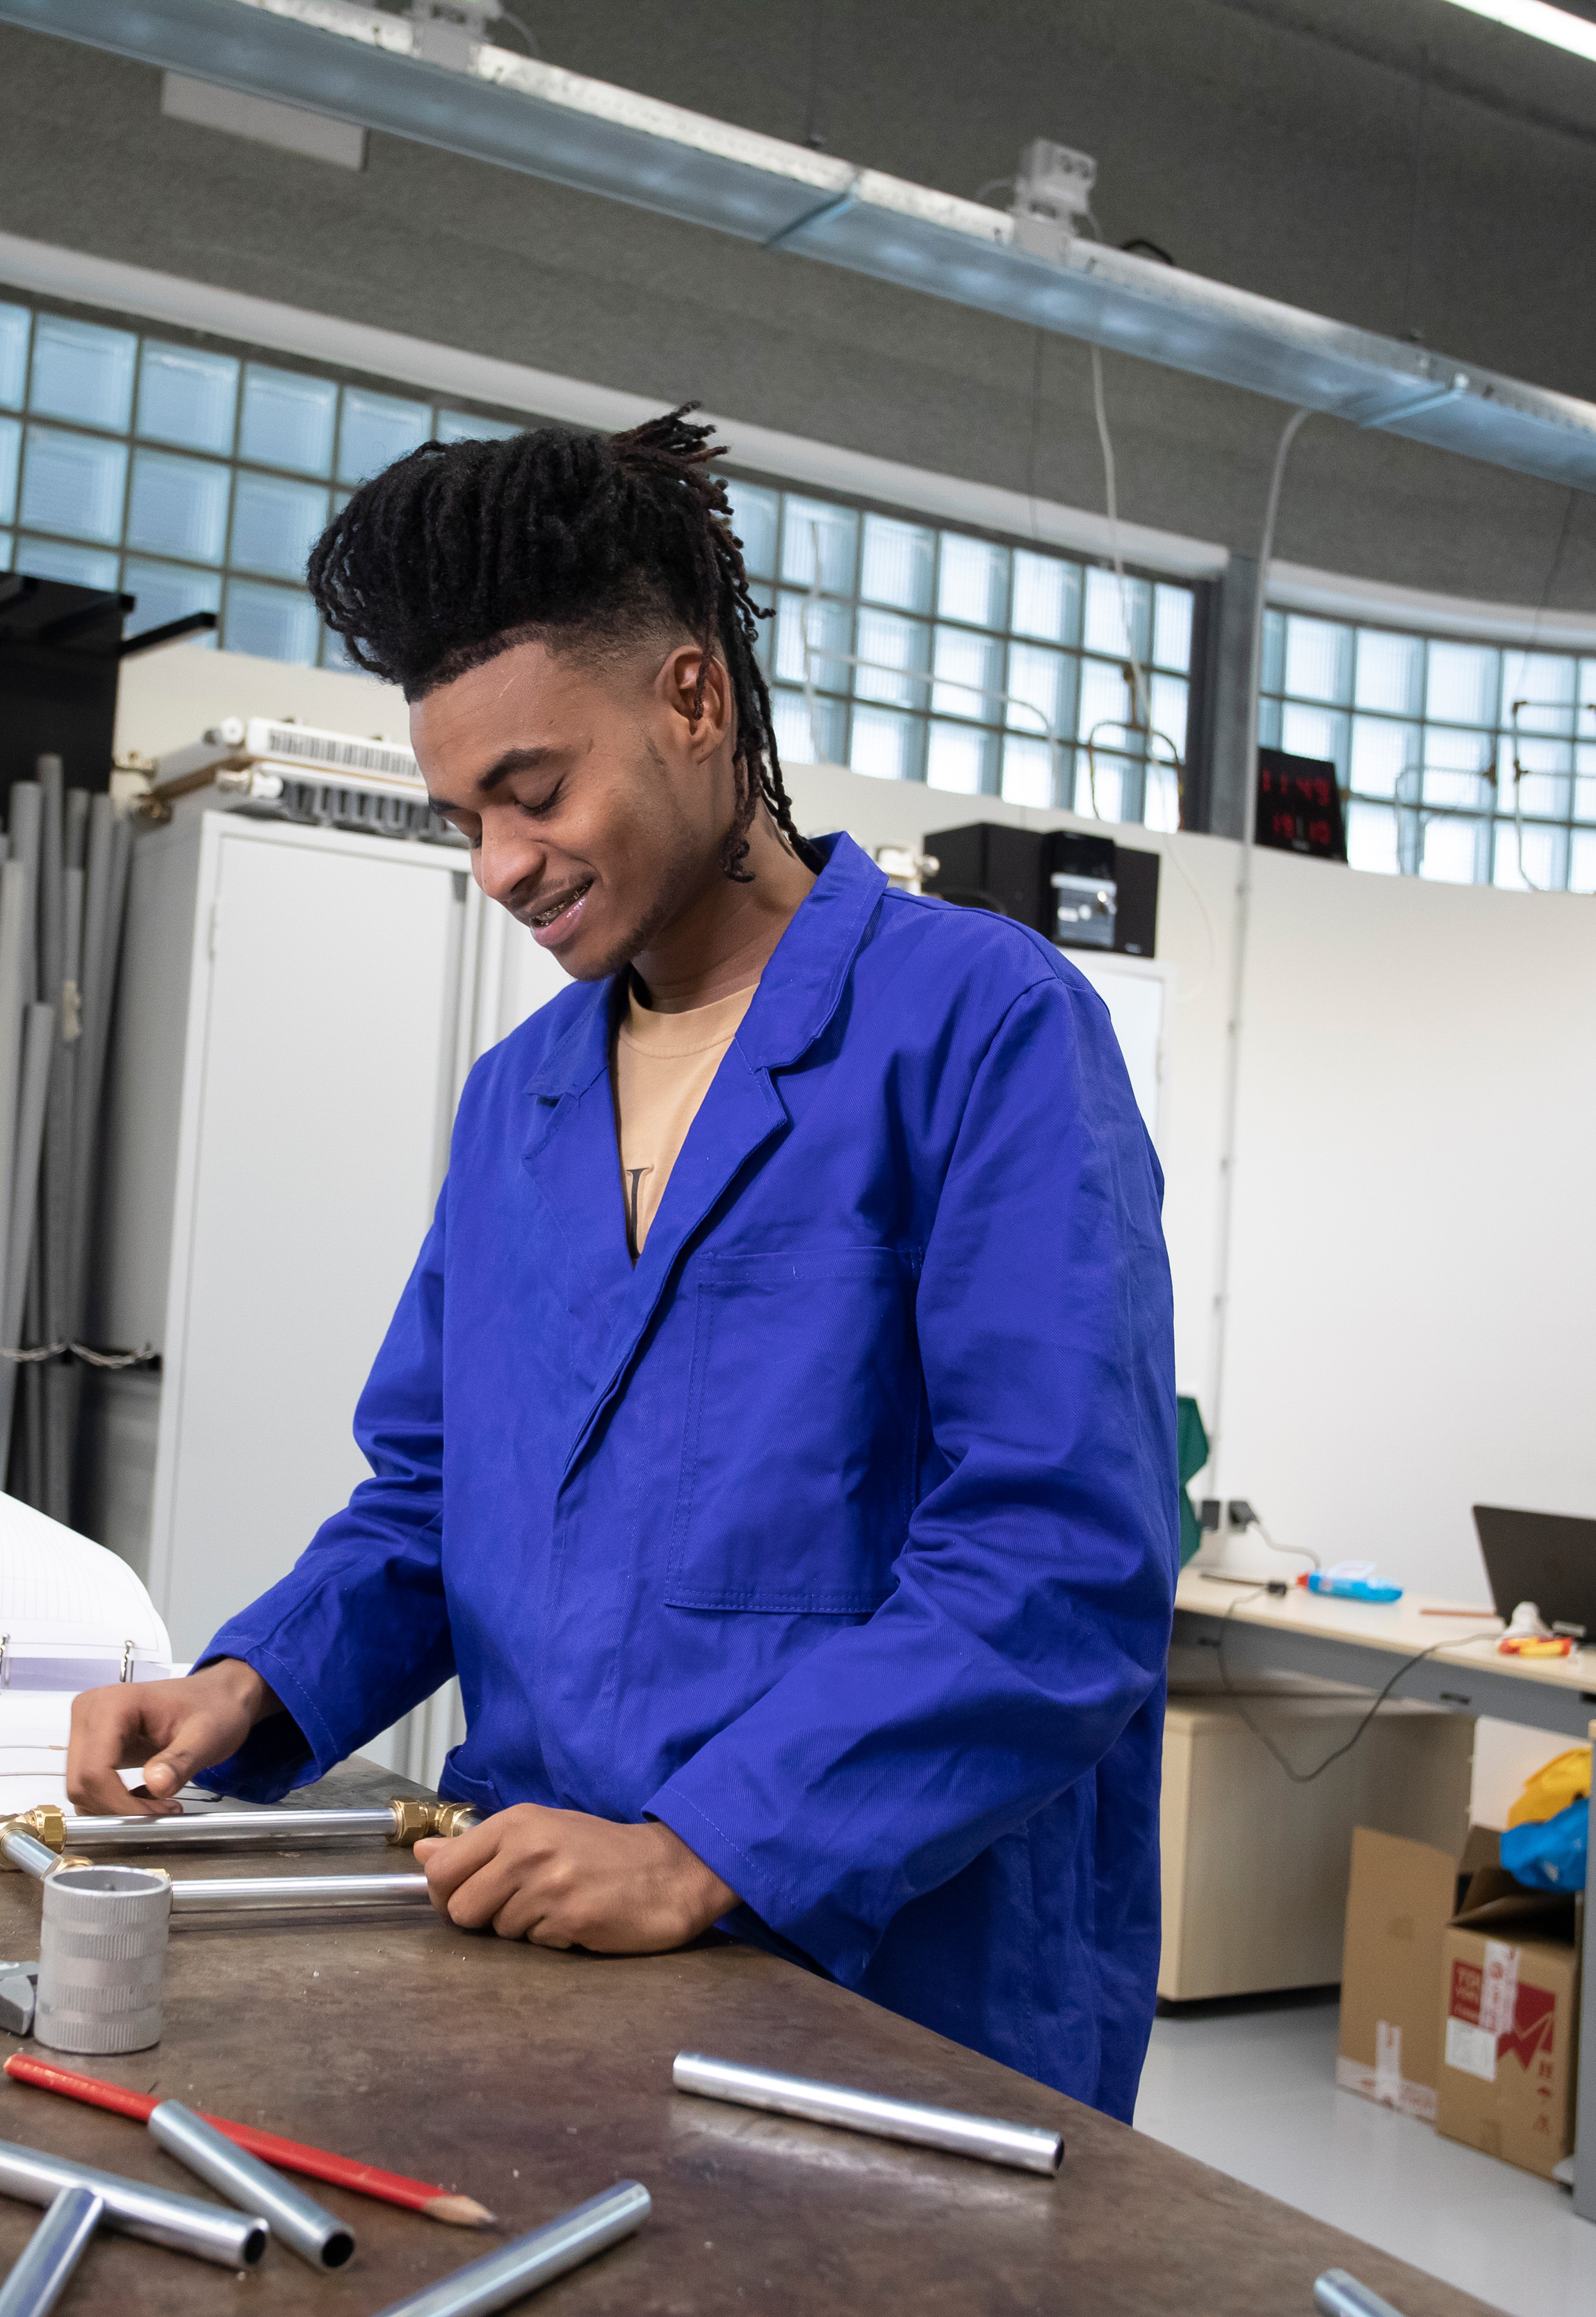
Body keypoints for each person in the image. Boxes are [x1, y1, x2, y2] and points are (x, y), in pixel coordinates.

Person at [65, 409, 1177, 2115]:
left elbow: (1056, 1562)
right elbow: (434, 1498)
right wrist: (247, 1681)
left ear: (693, 697)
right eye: (465, 819)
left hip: (901, 1990)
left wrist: (698, 1848)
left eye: (534, 794)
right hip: (542, 1954)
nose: (503, 867)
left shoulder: (985, 1028)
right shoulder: (521, 1100)